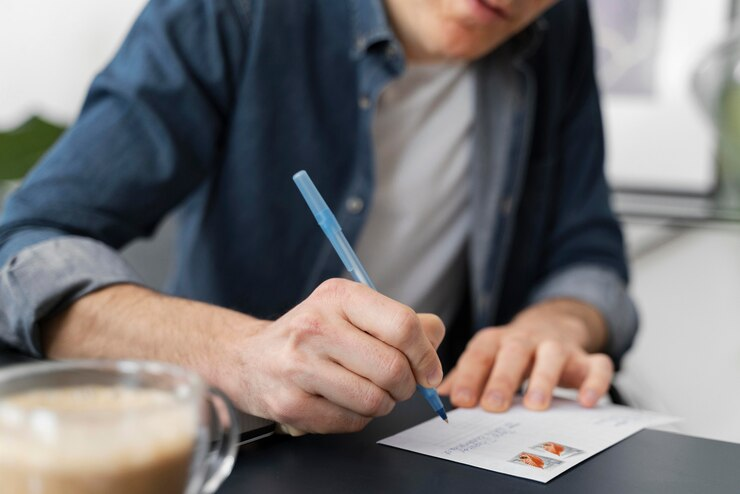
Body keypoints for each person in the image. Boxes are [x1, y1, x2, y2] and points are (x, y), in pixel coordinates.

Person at [0, 0, 637, 434]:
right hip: (243, 447)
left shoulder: (555, 25)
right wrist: (240, 353)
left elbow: (587, 250)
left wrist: (556, 322)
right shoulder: (235, 10)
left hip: (440, 441)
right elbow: (22, 246)